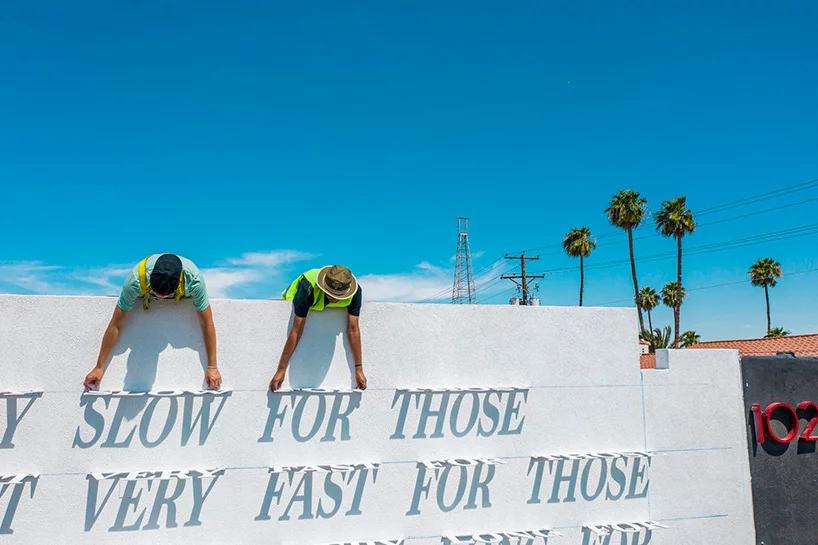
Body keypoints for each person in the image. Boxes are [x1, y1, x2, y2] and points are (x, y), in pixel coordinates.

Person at [83, 253, 222, 390]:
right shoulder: (135, 281)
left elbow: (207, 323)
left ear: (179, 283)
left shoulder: (194, 280)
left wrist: (212, 367)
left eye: (167, 296)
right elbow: (116, 324)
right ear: (150, 279)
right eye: (155, 294)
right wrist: (99, 367)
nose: (161, 300)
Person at [270, 265, 366, 391]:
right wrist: (281, 370)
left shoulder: (356, 293)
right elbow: (296, 330)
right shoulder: (308, 286)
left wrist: (358, 369)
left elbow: (353, 329)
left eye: (338, 296)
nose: (333, 298)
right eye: (330, 293)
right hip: (296, 298)